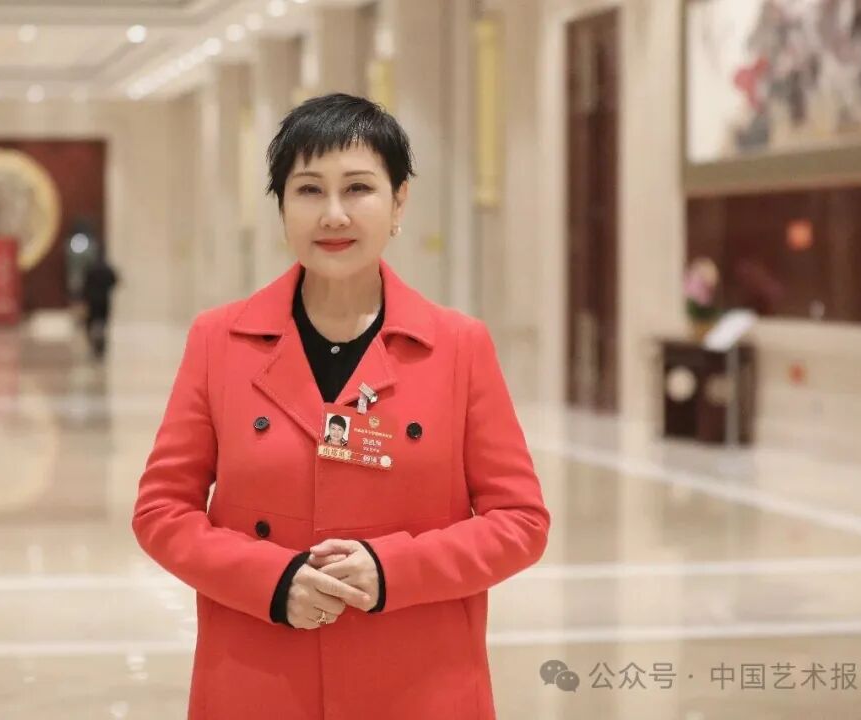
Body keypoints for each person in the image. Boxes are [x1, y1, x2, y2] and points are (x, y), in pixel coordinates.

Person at [132, 93, 550, 719]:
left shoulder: (459, 346)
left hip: (420, 684)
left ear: (399, 201)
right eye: (308, 190)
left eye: (358, 188)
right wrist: (271, 581)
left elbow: (520, 522)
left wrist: (393, 569)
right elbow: (162, 511)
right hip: (260, 678)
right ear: (281, 206)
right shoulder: (219, 341)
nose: (333, 214)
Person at [81, 252, 118, 359]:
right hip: (104, 300)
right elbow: (114, 281)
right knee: (102, 321)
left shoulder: (90, 269)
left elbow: (85, 284)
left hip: (92, 301)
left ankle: (94, 342)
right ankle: (100, 343)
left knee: (91, 322)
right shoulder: (107, 269)